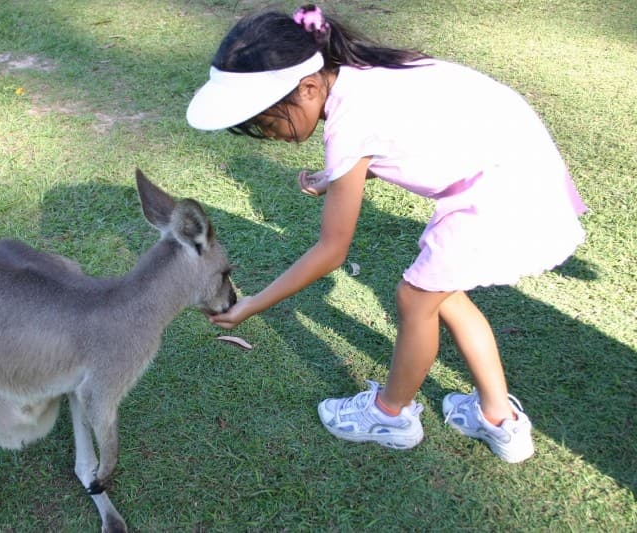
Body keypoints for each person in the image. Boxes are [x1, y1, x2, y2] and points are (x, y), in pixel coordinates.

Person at [186, 4, 586, 463]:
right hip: (519, 170)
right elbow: (410, 141)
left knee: (416, 298)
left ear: (309, 86)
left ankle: (390, 415)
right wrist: (337, 177)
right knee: (442, 294)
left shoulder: (350, 122)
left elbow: (332, 251)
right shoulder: (361, 74)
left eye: (266, 120)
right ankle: (500, 420)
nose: (266, 131)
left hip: (503, 192)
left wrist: (254, 304)